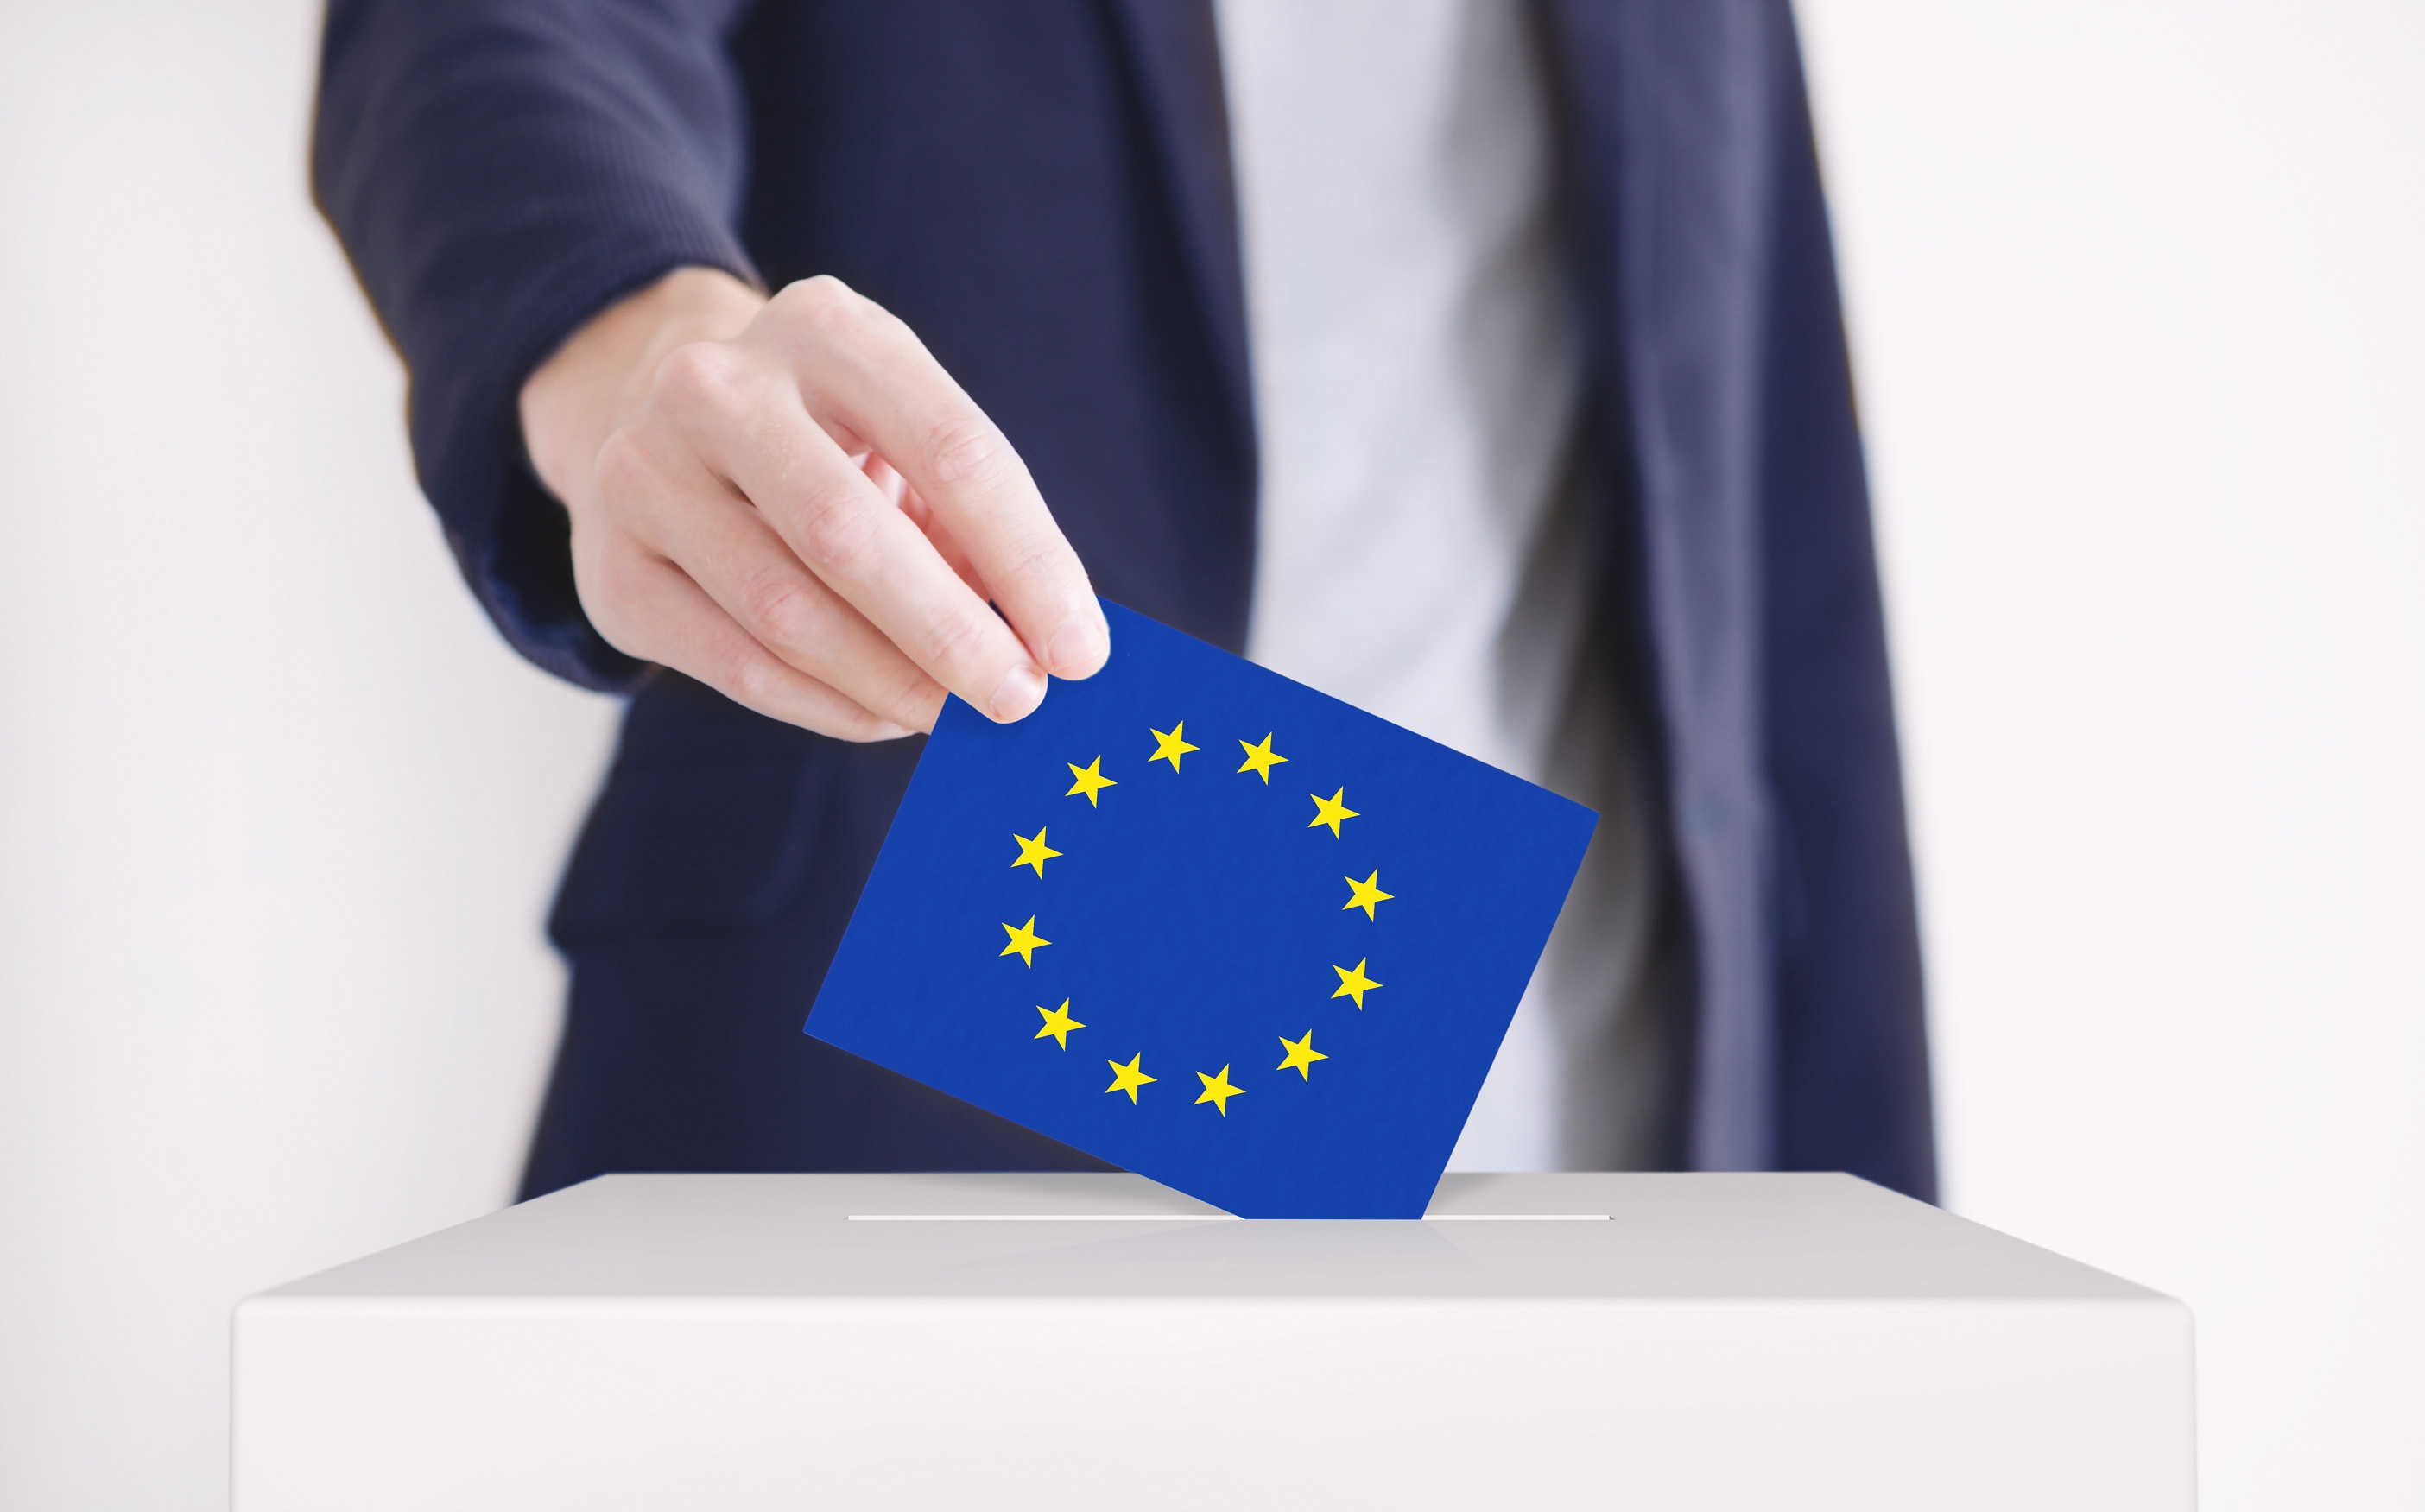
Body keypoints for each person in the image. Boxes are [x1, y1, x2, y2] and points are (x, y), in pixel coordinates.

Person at [313, 0, 1935, 1202]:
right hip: (951, 1065)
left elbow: (1771, 515)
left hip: (1592, 1138)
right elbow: (494, 33)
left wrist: (1877, 1232)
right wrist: (639, 336)